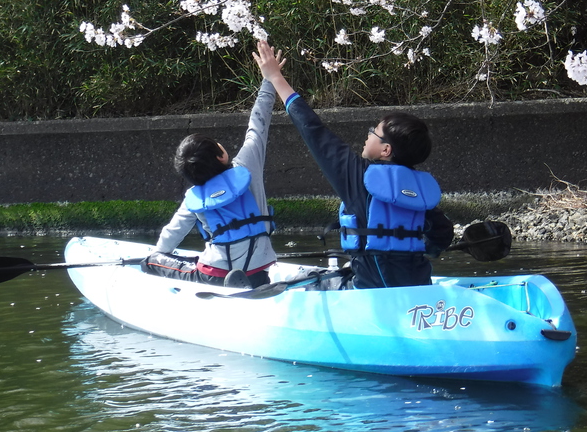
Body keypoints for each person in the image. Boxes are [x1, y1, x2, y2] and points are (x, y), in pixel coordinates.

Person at [253, 39, 453, 289]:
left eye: (374, 131)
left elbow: (314, 131)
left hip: (369, 293)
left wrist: (275, 77)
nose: (368, 134)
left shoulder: (360, 176)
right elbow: (442, 235)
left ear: (385, 150)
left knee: (301, 283)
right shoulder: (422, 196)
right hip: (418, 287)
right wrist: (423, 248)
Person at [141, 62, 284, 288]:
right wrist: (269, 79)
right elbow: (258, 124)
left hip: (213, 275)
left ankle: (151, 263)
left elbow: (173, 233)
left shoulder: (195, 197)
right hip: (258, 273)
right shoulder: (247, 166)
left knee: (151, 261)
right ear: (221, 157)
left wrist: (159, 253)